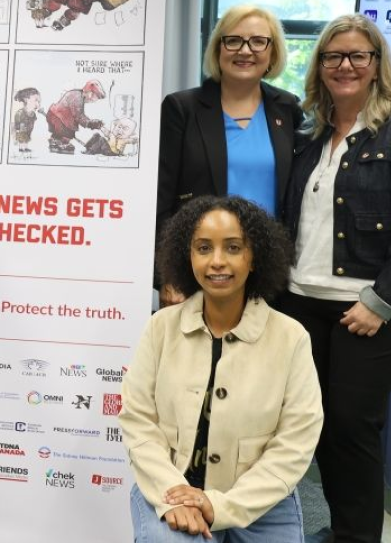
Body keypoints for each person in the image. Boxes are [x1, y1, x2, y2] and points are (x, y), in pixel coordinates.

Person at [121, 196, 322, 542]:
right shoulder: (160, 328)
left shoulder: (291, 338)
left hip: (259, 501)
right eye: (203, 248)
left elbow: (296, 440)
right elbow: (138, 419)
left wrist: (224, 506)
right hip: (173, 490)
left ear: (254, 257)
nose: (217, 261)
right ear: (188, 256)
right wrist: (171, 494)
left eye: (233, 248)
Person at [280, 13, 391, 543]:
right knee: (316, 428)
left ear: (376, 65)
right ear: (319, 65)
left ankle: (358, 537)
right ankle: (341, 529)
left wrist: (381, 300)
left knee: (352, 428)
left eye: (357, 56)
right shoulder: (310, 137)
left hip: (363, 309)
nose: (345, 65)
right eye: (333, 56)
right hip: (301, 303)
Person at [156, 5, 303, 307]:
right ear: (218, 48)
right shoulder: (182, 109)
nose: (245, 50)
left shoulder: (288, 109)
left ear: (273, 53)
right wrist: (165, 275)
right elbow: (160, 197)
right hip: (198, 271)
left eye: (258, 41)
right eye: (233, 40)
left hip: (269, 274)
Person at [46, 79, 105, 154]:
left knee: (67, 130)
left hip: (56, 115)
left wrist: (91, 123)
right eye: (95, 97)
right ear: (90, 93)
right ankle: (60, 143)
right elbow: (79, 116)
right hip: (58, 117)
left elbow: (78, 115)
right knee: (68, 131)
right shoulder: (77, 97)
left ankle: (55, 142)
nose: (94, 101)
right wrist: (90, 123)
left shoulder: (79, 95)